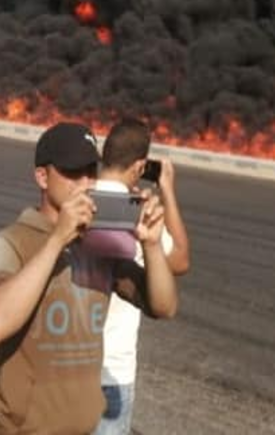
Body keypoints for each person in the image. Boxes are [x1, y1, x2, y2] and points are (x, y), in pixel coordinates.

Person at [0, 122, 178, 434]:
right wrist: (57, 239)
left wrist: (151, 244)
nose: (85, 182)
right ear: (42, 177)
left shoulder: (98, 244)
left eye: (90, 171)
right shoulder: (14, 241)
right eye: (72, 173)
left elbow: (163, 306)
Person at [94, 118, 191, 435]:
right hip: (112, 372)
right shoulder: (137, 210)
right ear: (139, 166)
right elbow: (179, 259)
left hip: (67, 365)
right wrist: (168, 191)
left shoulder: (76, 200)